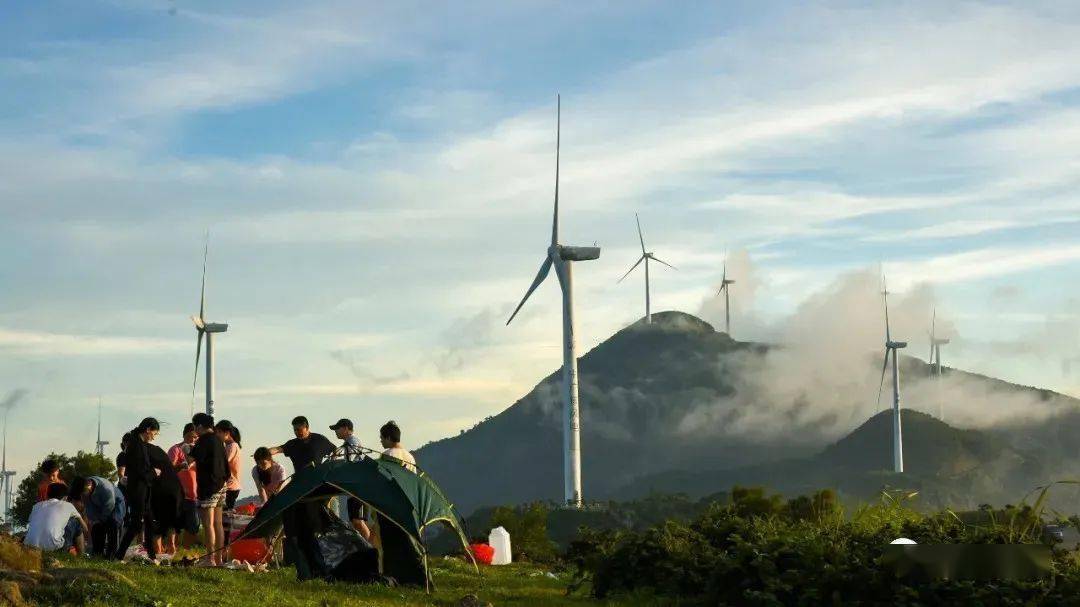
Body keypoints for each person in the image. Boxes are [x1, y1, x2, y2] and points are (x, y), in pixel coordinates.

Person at [267, 416, 335, 580]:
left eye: (299, 429)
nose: (297, 432)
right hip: (301, 487)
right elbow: (280, 449)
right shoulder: (293, 444)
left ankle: (324, 558)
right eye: (295, 430)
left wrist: (328, 470)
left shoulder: (319, 440)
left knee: (321, 521)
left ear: (307, 427)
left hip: (319, 486)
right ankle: (308, 563)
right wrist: (266, 452)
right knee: (304, 525)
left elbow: (334, 451)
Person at [115, 417, 161, 560]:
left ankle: (152, 556)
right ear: (148, 430)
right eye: (154, 433)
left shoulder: (137, 443)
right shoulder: (137, 446)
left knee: (148, 522)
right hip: (138, 490)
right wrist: (154, 472)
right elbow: (140, 471)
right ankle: (119, 555)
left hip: (142, 490)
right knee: (136, 525)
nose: (154, 437)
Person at [187, 412, 227, 566]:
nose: (195, 431)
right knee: (218, 524)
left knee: (208, 523)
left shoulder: (203, 441)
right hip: (222, 484)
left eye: (195, 427)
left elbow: (190, 460)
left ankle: (210, 559)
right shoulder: (218, 439)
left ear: (200, 426)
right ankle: (219, 559)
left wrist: (186, 450)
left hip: (209, 486)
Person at [329, 418, 371, 541]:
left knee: (358, 521)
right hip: (353, 489)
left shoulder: (352, 441)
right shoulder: (347, 443)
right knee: (355, 520)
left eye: (337, 428)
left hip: (359, 487)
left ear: (346, 428)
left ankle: (369, 549)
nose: (335, 431)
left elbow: (349, 462)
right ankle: (365, 547)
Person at [69, 475, 126, 558]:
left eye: (82, 494)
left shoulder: (106, 489)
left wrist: (102, 519)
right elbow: (89, 509)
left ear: (89, 487)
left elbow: (109, 507)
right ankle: (97, 554)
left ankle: (112, 556)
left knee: (112, 526)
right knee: (97, 528)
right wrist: (95, 520)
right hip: (98, 505)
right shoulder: (85, 491)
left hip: (115, 505)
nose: (82, 497)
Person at [25, 483, 87, 554]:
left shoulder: (36, 506)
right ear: (65, 498)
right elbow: (85, 528)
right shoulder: (69, 505)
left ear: (47, 495)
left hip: (30, 547)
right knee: (75, 521)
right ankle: (82, 555)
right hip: (54, 549)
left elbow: (31, 524)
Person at [147, 437, 183, 555]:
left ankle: (158, 550)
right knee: (171, 519)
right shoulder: (158, 452)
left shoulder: (143, 453)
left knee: (156, 519)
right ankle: (171, 545)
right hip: (175, 488)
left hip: (160, 489)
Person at [167, 424, 200, 547]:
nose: (193, 440)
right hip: (178, 494)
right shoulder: (175, 449)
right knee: (174, 524)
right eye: (190, 436)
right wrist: (181, 466)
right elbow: (168, 469)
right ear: (184, 435)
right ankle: (172, 549)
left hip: (194, 495)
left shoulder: (199, 451)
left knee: (193, 526)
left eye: (196, 437)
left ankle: (185, 550)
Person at [216, 421, 242, 511]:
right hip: (229, 486)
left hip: (231, 486)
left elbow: (223, 462)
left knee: (226, 515)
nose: (217, 435)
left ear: (227, 433)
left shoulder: (232, 446)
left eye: (219, 432)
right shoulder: (228, 446)